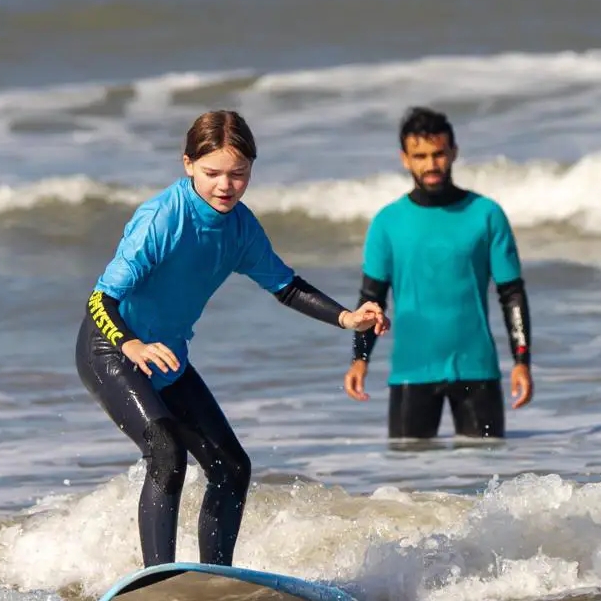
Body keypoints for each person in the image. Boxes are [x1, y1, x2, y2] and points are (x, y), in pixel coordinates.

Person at [76, 109, 388, 568]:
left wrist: (347, 318)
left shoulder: (240, 228)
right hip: (112, 350)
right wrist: (133, 346)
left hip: (167, 359)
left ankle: (213, 581)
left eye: (238, 174)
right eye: (212, 173)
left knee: (231, 468)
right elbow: (100, 301)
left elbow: (287, 286)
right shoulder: (161, 220)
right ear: (187, 165)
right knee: (166, 451)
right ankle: (158, 578)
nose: (226, 185)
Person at [342, 106, 533, 441]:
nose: (431, 164)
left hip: (477, 371)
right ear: (405, 158)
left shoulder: (487, 215)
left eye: (438, 154)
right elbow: (372, 298)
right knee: (406, 487)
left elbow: (511, 292)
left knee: (485, 476)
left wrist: (522, 361)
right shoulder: (387, 222)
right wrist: (360, 358)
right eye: (420, 156)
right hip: (410, 372)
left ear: (453, 152)